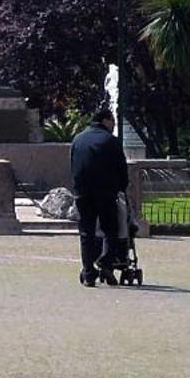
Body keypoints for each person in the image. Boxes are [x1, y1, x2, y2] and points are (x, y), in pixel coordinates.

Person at [70, 106, 129, 287]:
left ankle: (88, 272)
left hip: (83, 191)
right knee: (110, 229)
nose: (114, 126)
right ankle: (107, 263)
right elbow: (122, 169)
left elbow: (73, 165)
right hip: (105, 191)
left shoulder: (77, 139)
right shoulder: (110, 141)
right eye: (113, 122)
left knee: (86, 232)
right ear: (105, 121)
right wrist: (122, 187)